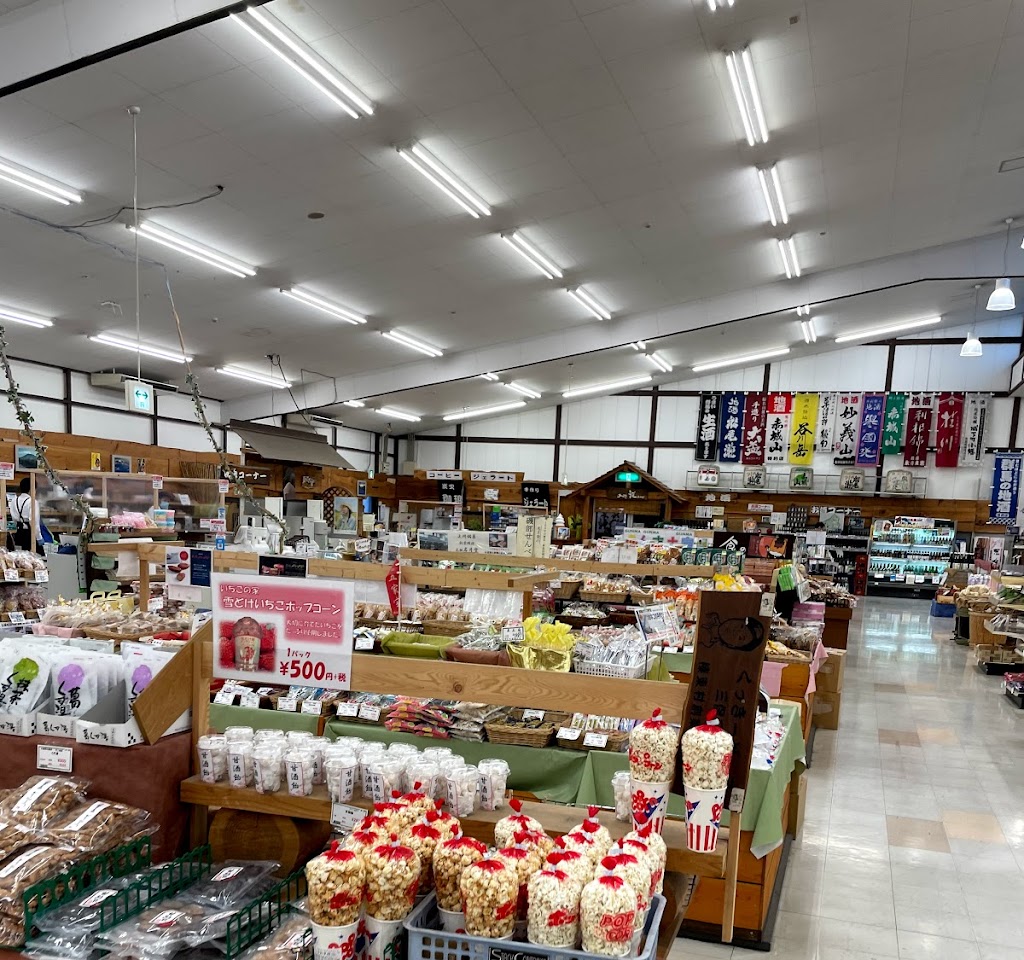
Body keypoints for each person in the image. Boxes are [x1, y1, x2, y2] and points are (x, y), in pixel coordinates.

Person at [9, 478, 40, 551]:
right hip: (29, 534)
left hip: (18, 533)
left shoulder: (14, 500)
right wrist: (39, 537)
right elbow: (34, 522)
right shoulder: (33, 502)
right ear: (31, 489)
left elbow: (14, 519)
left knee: (20, 556)